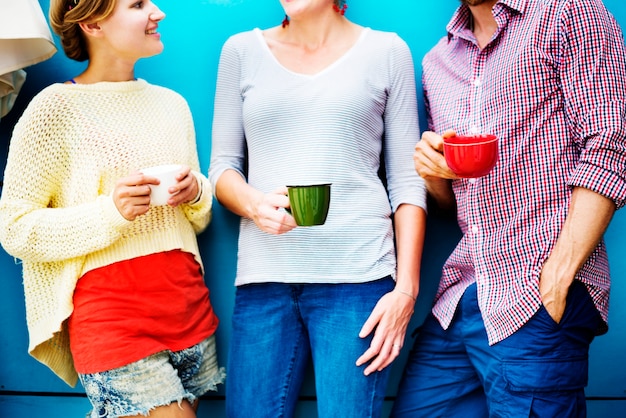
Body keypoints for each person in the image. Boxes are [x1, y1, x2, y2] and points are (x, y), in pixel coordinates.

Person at [392, 0, 626, 416]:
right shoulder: (438, 61)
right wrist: (433, 174)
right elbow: (452, 203)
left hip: (536, 294)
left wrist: (557, 275)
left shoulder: (569, 11)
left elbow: (610, 146)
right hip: (461, 296)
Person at [0, 0, 225, 417]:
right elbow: (15, 228)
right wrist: (111, 213)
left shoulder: (172, 104)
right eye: (138, 4)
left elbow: (200, 215)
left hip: (189, 310)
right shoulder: (54, 108)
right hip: (114, 319)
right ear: (91, 22)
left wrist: (195, 192)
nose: (158, 13)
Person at [208, 0, 427, 416]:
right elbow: (223, 167)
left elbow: (406, 181)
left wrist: (406, 292)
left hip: (358, 282)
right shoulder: (240, 51)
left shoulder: (386, 51)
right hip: (264, 281)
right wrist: (254, 204)